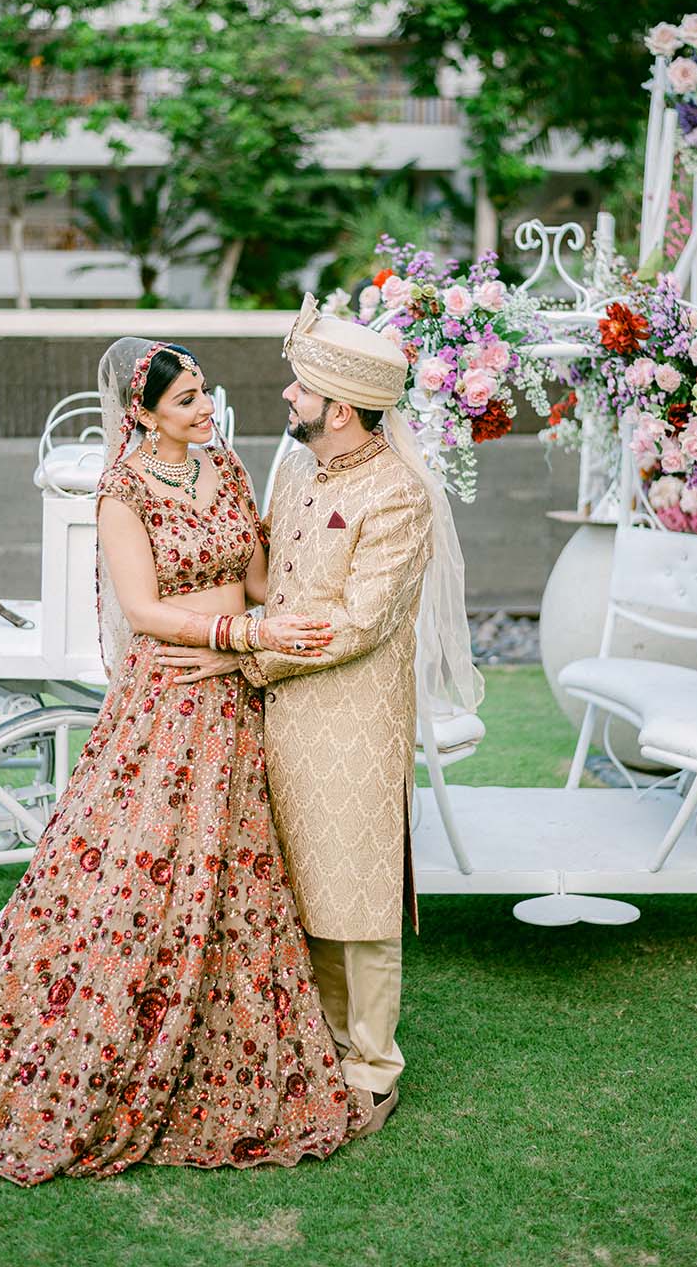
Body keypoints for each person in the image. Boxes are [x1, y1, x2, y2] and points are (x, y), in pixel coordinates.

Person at [0, 337, 373, 1186]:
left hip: (232, 692)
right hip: (170, 696)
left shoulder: (226, 468)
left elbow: (259, 581)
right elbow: (144, 609)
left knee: (235, 869)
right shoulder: (122, 491)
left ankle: (226, 1041)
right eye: (186, 398)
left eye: (203, 390)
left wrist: (313, 601)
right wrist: (239, 633)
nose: (205, 406)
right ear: (142, 412)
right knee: (138, 870)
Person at [166, 298, 482, 1138]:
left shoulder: (400, 496)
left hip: (354, 718)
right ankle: (322, 1042)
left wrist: (244, 653)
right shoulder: (298, 472)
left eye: (300, 387)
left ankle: (373, 1066)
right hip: (282, 712)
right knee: (301, 883)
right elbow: (267, 568)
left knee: (359, 892)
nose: (287, 395)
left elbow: (358, 623)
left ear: (340, 408)